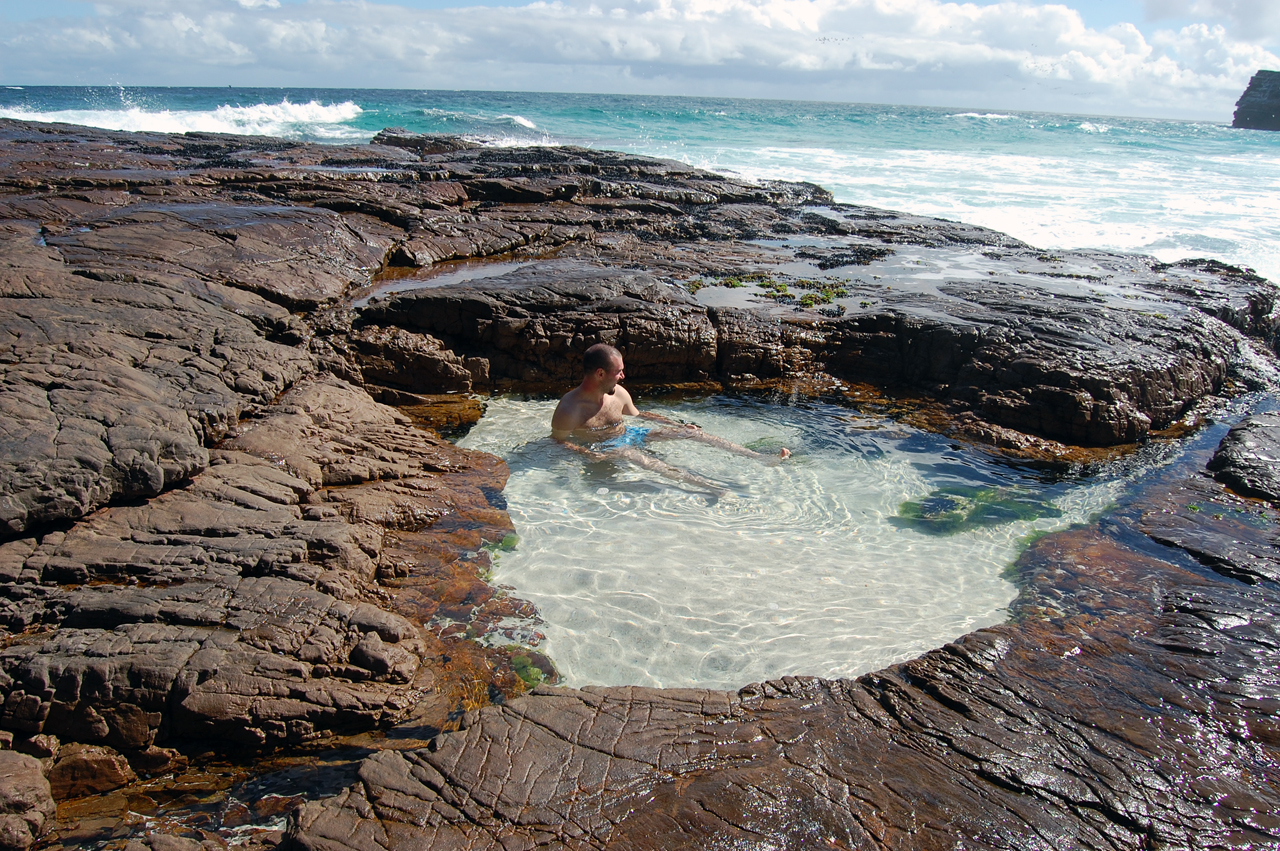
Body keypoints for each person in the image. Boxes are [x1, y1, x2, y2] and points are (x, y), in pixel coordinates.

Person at [551, 343, 789, 492]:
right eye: (618, 371)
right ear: (600, 373)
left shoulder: (619, 393)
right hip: (605, 449)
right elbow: (559, 442)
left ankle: (758, 457)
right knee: (632, 455)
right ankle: (706, 487)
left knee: (691, 433)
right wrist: (590, 454)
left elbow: (639, 415)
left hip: (631, 434)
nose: (623, 376)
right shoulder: (569, 408)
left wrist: (677, 425)